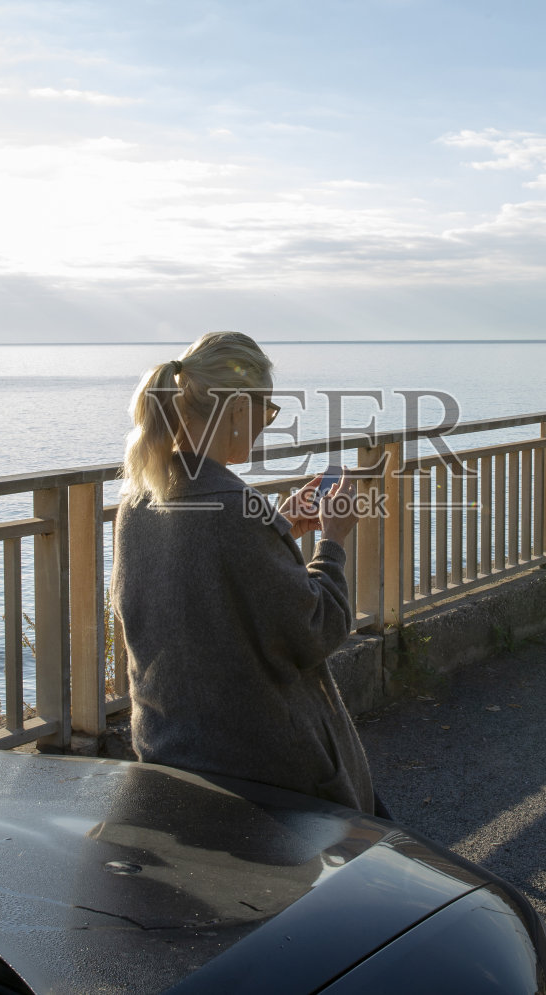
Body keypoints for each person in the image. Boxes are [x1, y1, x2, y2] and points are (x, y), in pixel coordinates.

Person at [109, 331, 379, 815]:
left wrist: (280, 529)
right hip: (266, 775)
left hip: (169, 754)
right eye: (267, 410)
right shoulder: (236, 510)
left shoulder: (136, 502)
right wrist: (333, 539)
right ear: (237, 408)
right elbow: (318, 629)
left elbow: (199, 595)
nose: (266, 423)